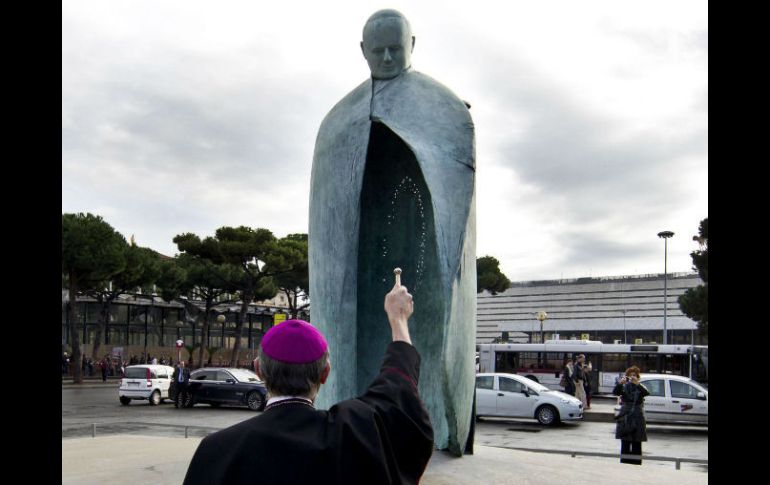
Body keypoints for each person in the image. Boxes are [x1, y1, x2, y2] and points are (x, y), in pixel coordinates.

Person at [309, 8, 476, 454]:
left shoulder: (444, 109)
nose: (385, 57)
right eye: (377, 50)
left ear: (412, 46)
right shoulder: (337, 122)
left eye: (394, 49)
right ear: (362, 50)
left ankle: (446, 424)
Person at [183, 281, 434, 485]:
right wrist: (398, 320)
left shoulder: (216, 452)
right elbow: (397, 393)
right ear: (325, 373)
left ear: (258, 370)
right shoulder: (353, 436)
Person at [613, 366, 649, 465]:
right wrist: (621, 383)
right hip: (626, 416)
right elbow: (615, 392)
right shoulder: (624, 386)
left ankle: (636, 463)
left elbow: (646, 393)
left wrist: (637, 384)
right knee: (625, 441)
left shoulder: (640, 386)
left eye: (634, 375)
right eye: (630, 375)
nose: (632, 377)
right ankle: (625, 463)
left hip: (637, 415)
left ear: (638, 377)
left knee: (637, 442)